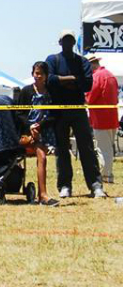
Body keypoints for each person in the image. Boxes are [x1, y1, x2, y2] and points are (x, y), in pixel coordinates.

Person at [45, 30, 106, 198]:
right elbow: (49, 80)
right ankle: (65, 185)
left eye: (71, 40)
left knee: (86, 148)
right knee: (62, 150)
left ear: (74, 43)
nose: (68, 43)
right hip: (59, 111)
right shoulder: (52, 60)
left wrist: (62, 81)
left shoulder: (83, 61)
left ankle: (95, 184)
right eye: (65, 40)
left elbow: (87, 84)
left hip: (78, 110)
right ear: (60, 42)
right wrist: (73, 79)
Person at [16, 61, 59, 206]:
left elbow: (54, 115)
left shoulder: (51, 93)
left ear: (46, 75)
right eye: (36, 73)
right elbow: (19, 113)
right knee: (41, 154)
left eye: (41, 73)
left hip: (45, 133)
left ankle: (43, 195)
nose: (38, 76)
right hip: (25, 134)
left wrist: (40, 126)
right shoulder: (26, 91)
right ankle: (43, 195)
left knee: (42, 156)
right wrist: (30, 127)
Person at [85, 53, 119, 184]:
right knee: (108, 148)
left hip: (101, 118)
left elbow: (90, 97)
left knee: (102, 149)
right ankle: (108, 175)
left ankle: (105, 176)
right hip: (112, 117)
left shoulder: (96, 77)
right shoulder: (110, 75)